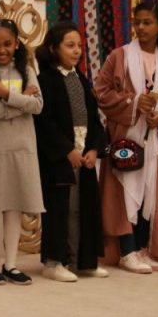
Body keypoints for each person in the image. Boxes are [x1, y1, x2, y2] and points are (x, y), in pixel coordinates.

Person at [94, 1, 158, 274]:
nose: (141, 28)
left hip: (153, 141)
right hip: (125, 138)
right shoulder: (119, 57)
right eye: (137, 22)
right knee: (122, 192)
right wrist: (134, 103)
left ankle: (143, 248)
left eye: (147, 22)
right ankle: (126, 250)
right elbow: (100, 92)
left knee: (148, 193)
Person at [33, 22, 108, 282]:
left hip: (83, 154)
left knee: (82, 208)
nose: (76, 51)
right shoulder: (46, 80)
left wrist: (94, 149)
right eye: (70, 45)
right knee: (59, 209)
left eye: (79, 46)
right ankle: (54, 261)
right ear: (54, 48)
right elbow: (44, 122)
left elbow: (94, 119)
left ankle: (82, 260)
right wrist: (67, 150)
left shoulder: (81, 79)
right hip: (59, 158)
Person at [0, 18, 44, 286]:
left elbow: (37, 106)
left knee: (14, 204)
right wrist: (20, 102)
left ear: (16, 44)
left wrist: (6, 94)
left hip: (22, 147)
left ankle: (11, 264)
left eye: (7, 44)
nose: (1, 50)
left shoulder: (27, 70)